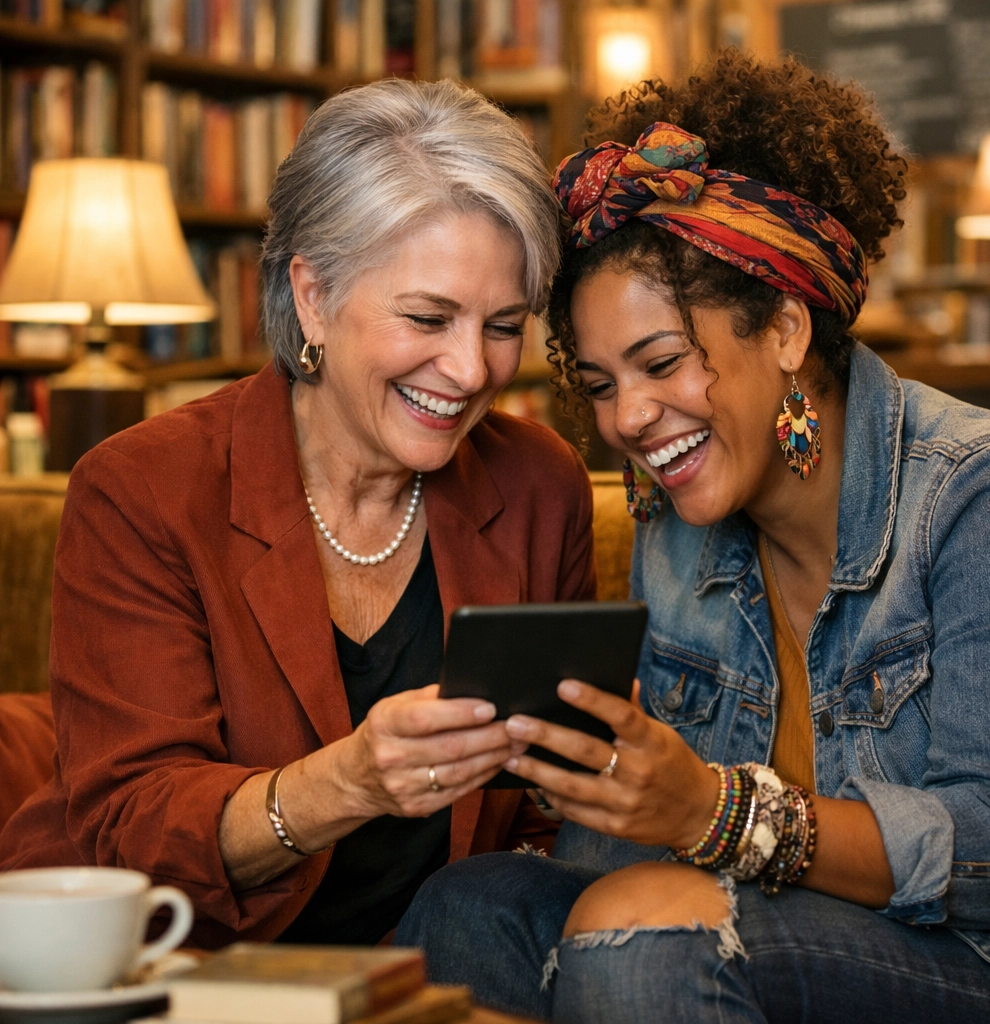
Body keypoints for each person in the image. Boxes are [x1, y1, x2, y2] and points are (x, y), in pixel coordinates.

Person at [397, 53, 990, 1022]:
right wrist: (581, 778)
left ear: (781, 329)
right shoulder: (676, 520)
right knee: (466, 907)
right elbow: (645, 843)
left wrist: (715, 814)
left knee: (643, 929)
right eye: (600, 384)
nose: (630, 419)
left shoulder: (980, 492)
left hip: (969, 961)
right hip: (746, 920)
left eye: (659, 362)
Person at [0, 79, 596, 949]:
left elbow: (549, 804)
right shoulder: (145, 489)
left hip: (441, 963)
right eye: (428, 316)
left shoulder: (541, 483)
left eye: (503, 325)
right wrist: (349, 780)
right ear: (312, 295)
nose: (471, 370)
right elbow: (134, 826)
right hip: (177, 960)